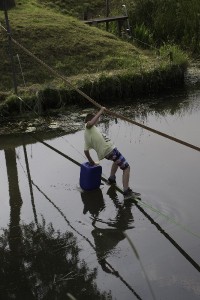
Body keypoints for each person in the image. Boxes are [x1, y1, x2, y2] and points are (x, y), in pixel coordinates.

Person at [84, 106, 140, 198]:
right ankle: (126, 192)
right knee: (126, 168)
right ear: (90, 120)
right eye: (96, 120)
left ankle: (111, 178)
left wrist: (91, 161)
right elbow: (90, 123)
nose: (97, 121)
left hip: (108, 152)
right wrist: (101, 111)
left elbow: (85, 151)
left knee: (116, 161)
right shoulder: (88, 126)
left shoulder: (88, 133)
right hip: (110, 150)